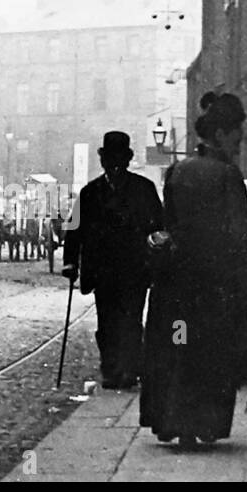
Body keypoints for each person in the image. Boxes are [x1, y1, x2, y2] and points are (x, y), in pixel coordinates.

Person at [139, 93, 247, 450]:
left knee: (176, 349)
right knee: (207, 353)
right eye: (237, 136)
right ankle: (202, 424)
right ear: (222, 134)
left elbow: (169, 224)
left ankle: (172, 422)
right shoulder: (227, 175)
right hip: (212, 285)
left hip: (175, 283)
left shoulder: (178, 171)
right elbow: (239, 234)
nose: (239, 144)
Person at [61, 131, 163, 389]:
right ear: (104, 161)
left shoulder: (144, 189)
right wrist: (70, 262)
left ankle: (129, 369)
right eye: (110, 160)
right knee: (106, 322)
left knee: (131, 320)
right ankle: (110, 368)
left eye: (119, 160)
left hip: (134, 269)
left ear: (127, 160)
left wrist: (157, 254)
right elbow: (74, 231)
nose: (115, 166)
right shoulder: (89, 192)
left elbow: (159, 227)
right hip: (103, 270)